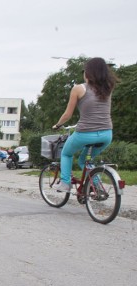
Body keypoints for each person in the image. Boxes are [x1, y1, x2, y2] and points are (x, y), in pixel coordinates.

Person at [51, 57, 117, 192]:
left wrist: (57, 125)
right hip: (106, 134)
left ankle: (65, 183)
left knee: (66, 154)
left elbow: (67, 115)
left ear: (88, 72)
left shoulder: (78, 89)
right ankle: (97, 187)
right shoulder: (108, 88)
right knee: (85, 161)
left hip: (85, 133)